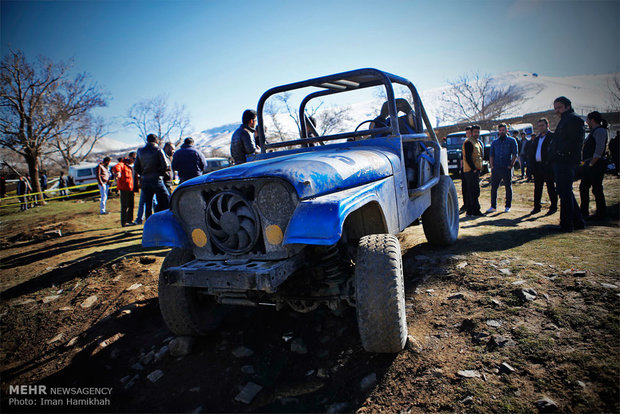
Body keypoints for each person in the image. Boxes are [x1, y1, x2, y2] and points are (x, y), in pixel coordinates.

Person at [549, 96, 585, 232]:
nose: (557, 111)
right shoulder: (565, 120)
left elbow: (575, 141)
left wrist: (560, 152)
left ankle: (566, 224)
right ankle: (578, 221)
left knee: (565, 193)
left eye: (559, 107)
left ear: (567, 106)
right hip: (560, 161)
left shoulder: (573, 120)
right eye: (555, 108)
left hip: (566, 161)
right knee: (565, 192)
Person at [134, 133, 170, 220]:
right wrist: (161, 174)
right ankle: (165, 219)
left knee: (148, 203)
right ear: (156, 140)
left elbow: (136, 167)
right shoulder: (158, 149)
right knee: (165, 199)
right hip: (157, 179)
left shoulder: (140, 151)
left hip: (145, 180)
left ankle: (149, 221)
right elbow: (165, 165)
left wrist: (143, 174)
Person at [580, 111, 608, 221]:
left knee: (596, 189)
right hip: (589, 164)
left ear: (592, 120)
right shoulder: (593, 131)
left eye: (587, 120)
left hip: (596, 164)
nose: (586, 122)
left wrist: (592, 163)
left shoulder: (600, 131)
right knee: (583, 187)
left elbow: (599, 149)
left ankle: (601, 213)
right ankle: (584, 211)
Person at [486, 124, 518, 213]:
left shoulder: (511, 141)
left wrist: (511, 165)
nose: (502, 132)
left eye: (503, 130)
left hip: (506, 167)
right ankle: (493, 206)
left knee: (508, 187)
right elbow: (491, 155)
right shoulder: (495, 142)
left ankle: (508, 206)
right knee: (494, 188)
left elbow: (515, 154)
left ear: (506, 131)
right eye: (500, 130)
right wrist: (492, 166)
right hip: (496, 168)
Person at [531, 118, 557, 215]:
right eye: (539, 126)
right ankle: (537, 207)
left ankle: (553, 206)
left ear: (547, 125)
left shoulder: (552, 137)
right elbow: (532, 153)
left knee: (550, 186)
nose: (541, 128)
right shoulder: (537, 139)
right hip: (538, 166)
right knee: (537, 187)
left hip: (548, 166)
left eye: (542, 125)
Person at [462, 125, 483, 216]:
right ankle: (475, 211)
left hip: (476, 170)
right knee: (473, 191)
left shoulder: (476, 142)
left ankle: (470, 211)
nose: (476, 134)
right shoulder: (469, 142)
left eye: (478, 132)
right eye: (475, 132)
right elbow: (468, 157)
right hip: (471, 171)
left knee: (474, 191)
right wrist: (473, 169)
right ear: (472, 132)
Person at [112, 152, 137, 227]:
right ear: (129, 157)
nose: (134, 160)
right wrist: (118, 172)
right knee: (124, 206)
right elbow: (116, 167)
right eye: (133, 158)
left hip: (131, 188)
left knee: (131, 205)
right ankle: (124, 222)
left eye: (135, 158)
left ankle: (130, 220)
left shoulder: (133, 165)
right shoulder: (123, 164)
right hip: (124, 188)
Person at [459, 126, 473, 214]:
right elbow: (462, 158)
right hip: (464, 169)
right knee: (464, 188)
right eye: (467, 133)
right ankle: (465, 204)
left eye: (469, 133)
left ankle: (471, 205)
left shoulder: (474, 142)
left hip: (471, 169)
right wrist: (461, 168)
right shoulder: (465, 143)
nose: (468, 135)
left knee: (471, 188)